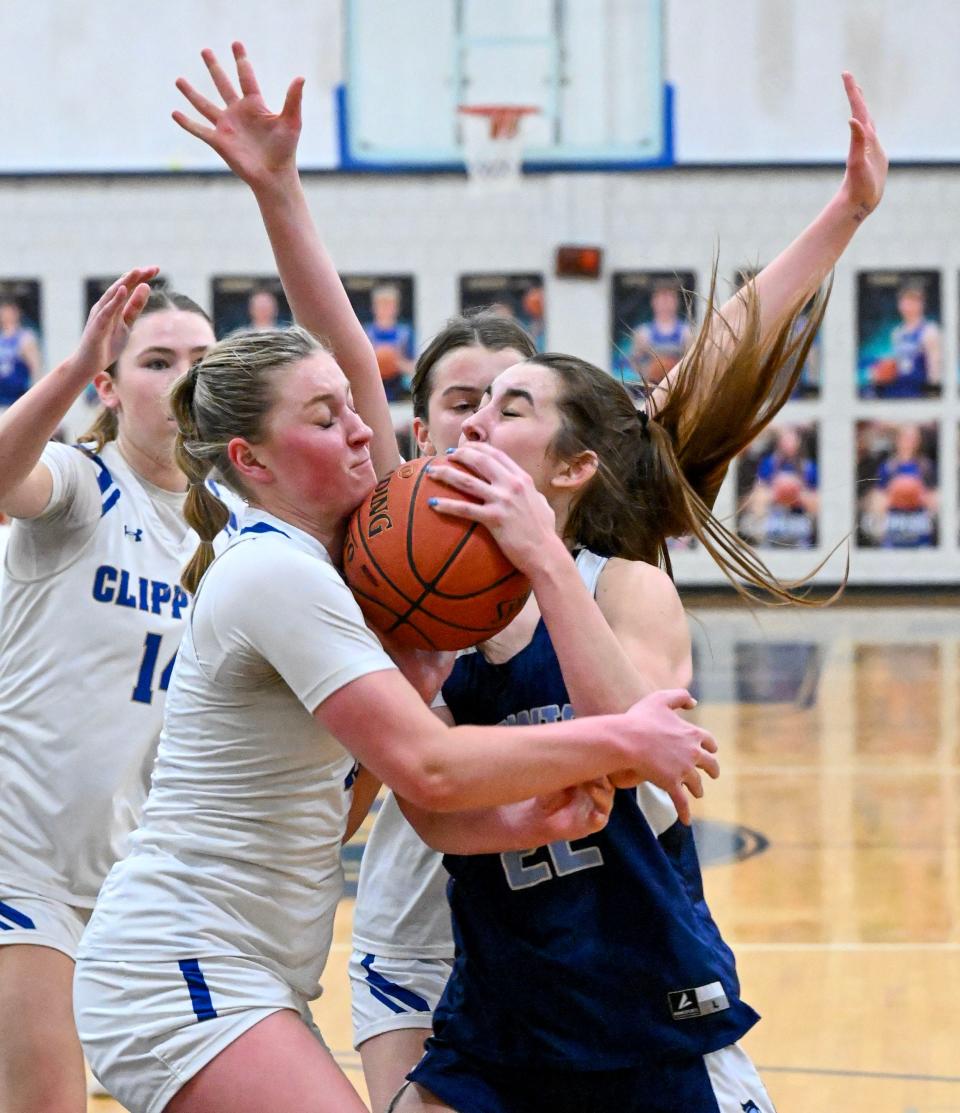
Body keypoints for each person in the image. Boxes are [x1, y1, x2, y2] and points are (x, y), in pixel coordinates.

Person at [172, 44, 887, 1110]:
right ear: (415, 431)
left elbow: (694, 383)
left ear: (568, 458)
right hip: (435, 927)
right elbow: (341, 347)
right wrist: (279, 188)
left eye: (504, 401)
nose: (474, 419)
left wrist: (841, 217)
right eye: (458, 403)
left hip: (625, 960)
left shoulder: (611, 565)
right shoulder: (395, 537)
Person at [72, 323, 718, 1113]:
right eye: (324, 417)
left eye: (352, 405)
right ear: (251, 460)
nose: (357, 431)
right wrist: (623, 735)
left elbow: (393, 798)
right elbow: (429, 765)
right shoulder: (274, 570)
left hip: (237, 965)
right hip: (179, 962)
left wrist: (520, 818)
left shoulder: (325, 573)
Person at [0, 272, 238, 1113]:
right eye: (156, 360)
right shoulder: (79, 484)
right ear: (110, 383)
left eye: (204, 360)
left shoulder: (238, 530)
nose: (183, 378)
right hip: (23, 858)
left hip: (144, 876)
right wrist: (71, 364)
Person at [870, 279, 941, 398]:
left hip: (918, 392)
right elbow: (898, 366)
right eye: (906, 300)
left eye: (914, 300)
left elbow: (935, 371)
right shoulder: (897, 333)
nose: (909, 305)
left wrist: (933, 398)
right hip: (898, 390)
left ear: (922, 303)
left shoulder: (930, 331)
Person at [628, 279, 693, 388]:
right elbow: (634, 364)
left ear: (676, 301)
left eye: (669, 297)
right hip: (651, 388)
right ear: (653, 301)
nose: (665, 302)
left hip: (677, 386)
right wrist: (650, 371)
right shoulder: (643, 333)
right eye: (661, 298)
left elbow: (692, 364)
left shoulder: (687, 333)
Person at [0, 296, 42, 407]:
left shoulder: (25, 337)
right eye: (3, 311)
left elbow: (35, 367)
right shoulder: (1, 338)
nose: (5, 315)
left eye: (9, 311)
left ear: (16, 313)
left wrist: (36, 395)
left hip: (17, 398)